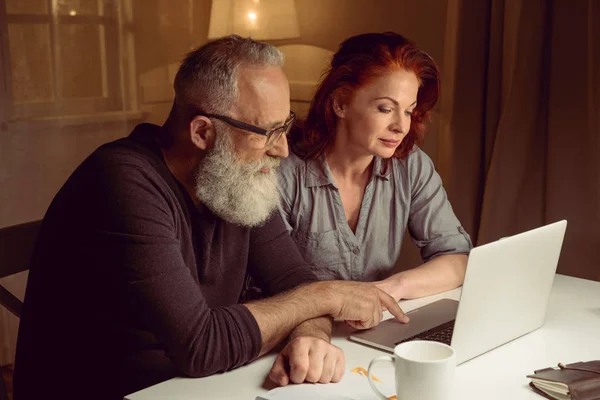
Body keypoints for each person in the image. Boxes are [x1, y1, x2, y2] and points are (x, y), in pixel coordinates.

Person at [13, 35, 408, 400]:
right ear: (203, 132)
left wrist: (310, 335)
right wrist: (327, 294)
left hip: (201, 387)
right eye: (267, 132)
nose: (283, 151)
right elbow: (200, 345)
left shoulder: (237, 178)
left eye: (286, 126)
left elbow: (294, 282)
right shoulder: (119, 180)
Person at [278, 32, 473, 302]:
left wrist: (393, 288)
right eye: (385, 108)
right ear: (341, 103)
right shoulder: (284, 171)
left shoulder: (411, 166)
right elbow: (271, 285)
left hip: (372, 328)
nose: (401, 126)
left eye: (408, 111)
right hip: (300, 334)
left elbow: (457, 258)